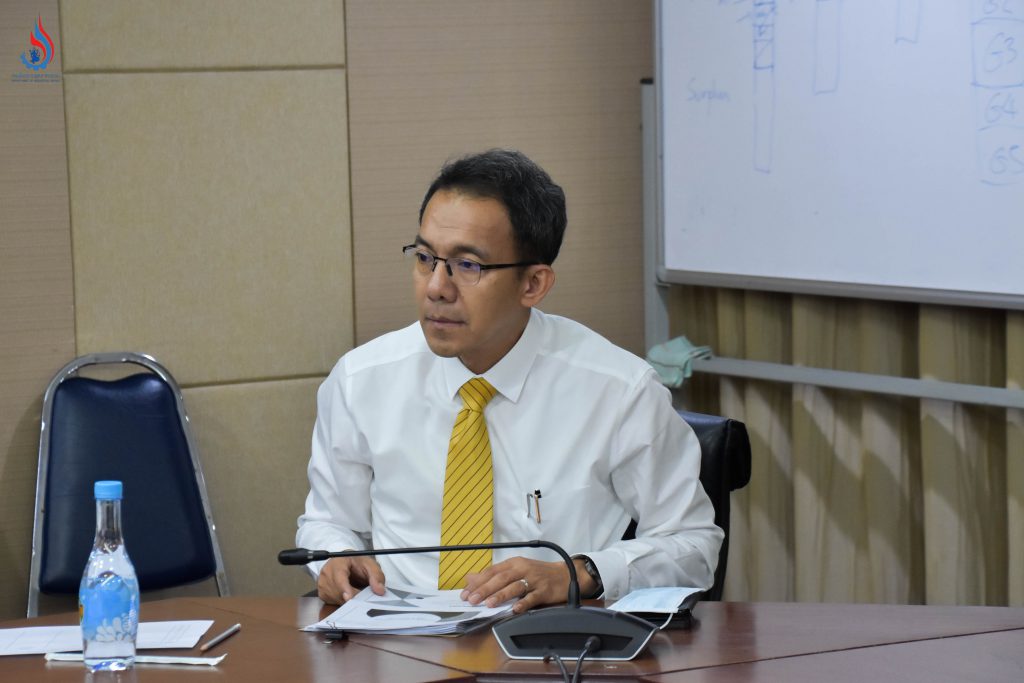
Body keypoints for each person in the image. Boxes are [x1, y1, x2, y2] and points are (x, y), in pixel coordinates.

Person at [296, 149, 722, 614]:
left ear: (533, 284)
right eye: (425, 258)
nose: (436, 287)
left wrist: (580, 574)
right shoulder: (361, 381)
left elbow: (693, 546)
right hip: (395, 635)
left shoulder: (618, 391)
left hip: (546, 637)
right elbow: (327, 522)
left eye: (468, 265)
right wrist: (334, 558)